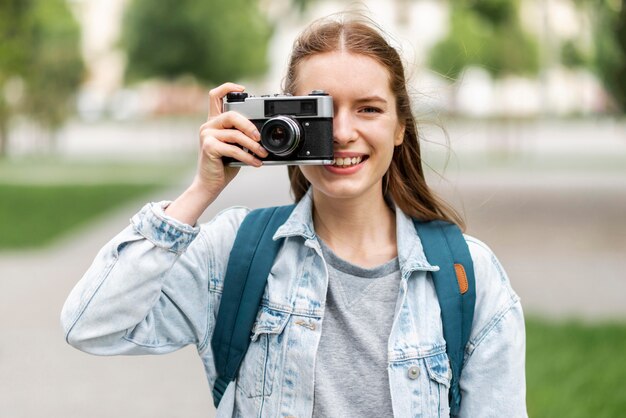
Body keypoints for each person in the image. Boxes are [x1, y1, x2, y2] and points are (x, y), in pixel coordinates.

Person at [61, 14, 527, 418]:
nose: (343, 133)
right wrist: (201, 191)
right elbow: (91, 325)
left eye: (368, 109)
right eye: (320, 113)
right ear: (282, 120)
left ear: (401, 125)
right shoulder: (235, 254)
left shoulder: (468, 274)